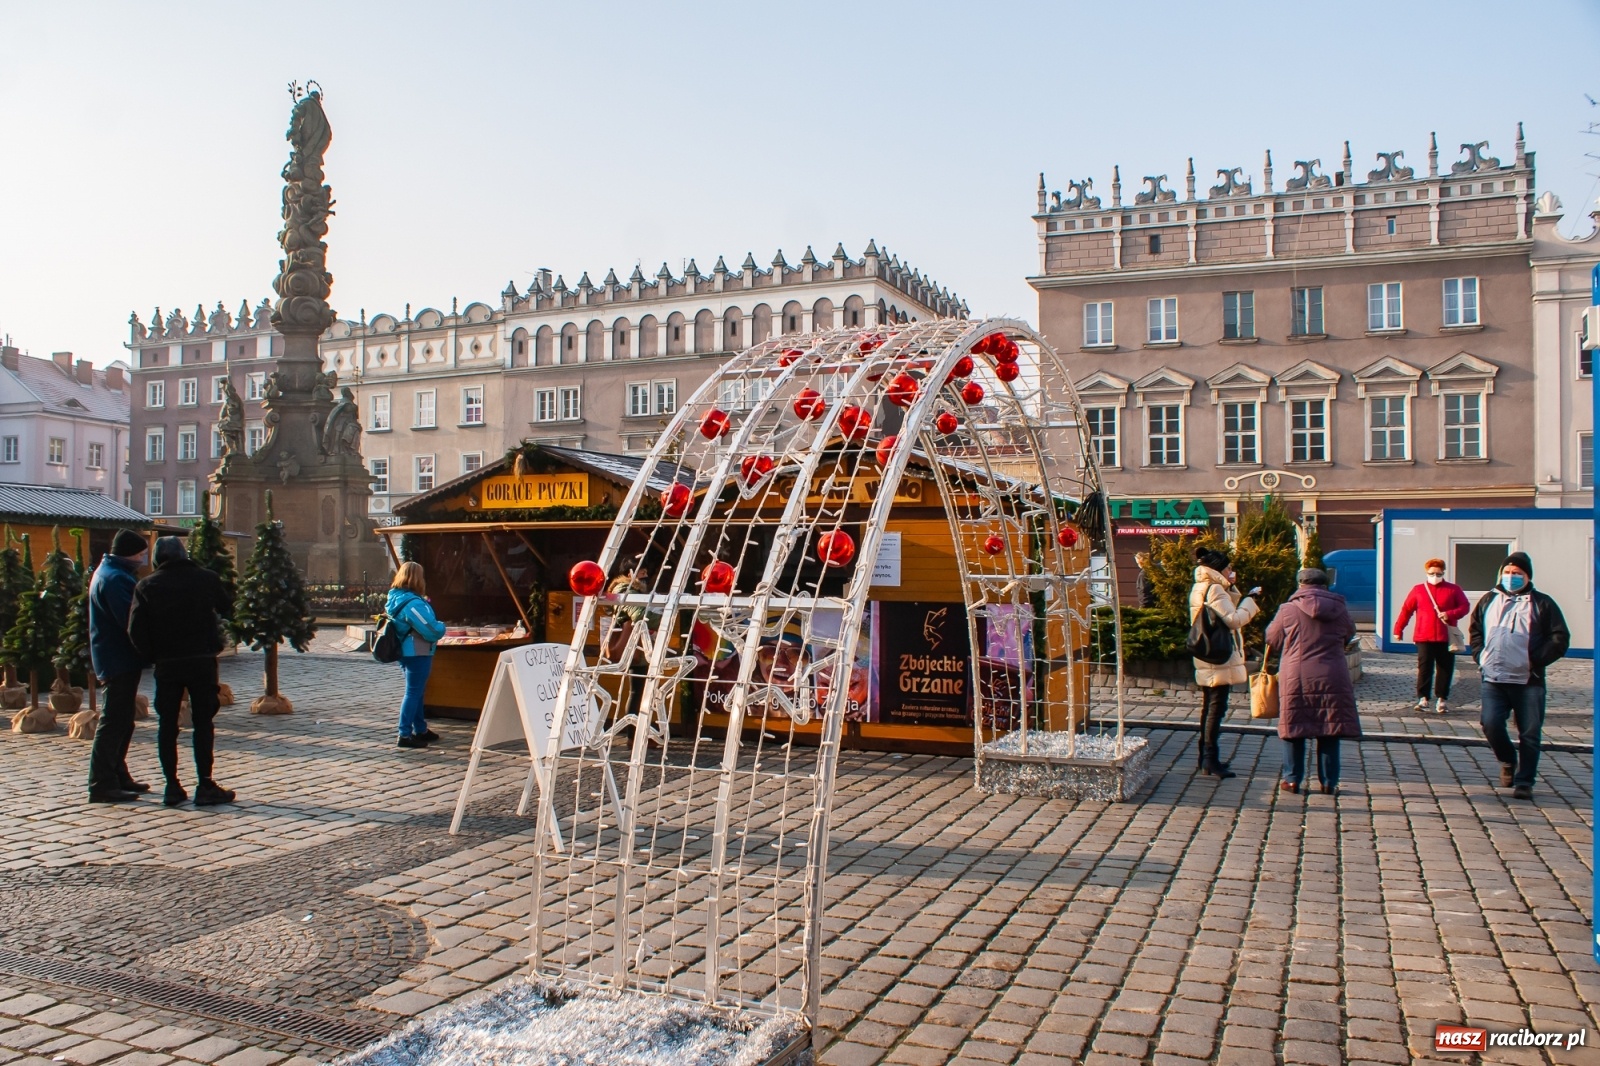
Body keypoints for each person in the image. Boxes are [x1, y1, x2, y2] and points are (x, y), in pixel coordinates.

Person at [128, 537, 236, 807]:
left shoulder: (147, 585)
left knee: (167, 725)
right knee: (203, 723)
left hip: (168, 663)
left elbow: (135, 630)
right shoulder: (206, 578)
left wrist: (153, 655)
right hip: (201, 659)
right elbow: (227, 607)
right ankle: (205, 783)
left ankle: (172, 786)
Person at [1468, 552, 1569, 800]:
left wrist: (1536, 659)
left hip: (1528, 681)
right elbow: (1475, 630)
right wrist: (1481, 655)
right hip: (1493, 677)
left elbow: (1559, 637)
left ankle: (1525, 781)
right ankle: (1507, 759)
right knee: (1490, 723)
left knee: (1529, 733)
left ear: (1527, 576)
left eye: (1517, 573)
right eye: (1508, 572)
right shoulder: (1488, 600)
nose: (1511, 577)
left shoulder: (1542, 603)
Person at [1266, 568, 1361, 795]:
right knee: (1329, 727)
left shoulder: (1288, 610)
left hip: (1296, 676)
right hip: (1333, 675)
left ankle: (1292, 780)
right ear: (1325, 585)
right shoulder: (1339, 608)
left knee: (1293, 726)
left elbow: (1272, 638)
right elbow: (1349, 634)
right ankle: (1329, 782)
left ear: (1300, 584)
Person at [85, 529, 152, 804]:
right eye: (140, 553)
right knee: (113, 721)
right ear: (129, 554)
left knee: (123, 719)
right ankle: (101, 782)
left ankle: (117, 772)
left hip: (117, 656)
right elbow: (130, 620)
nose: (143, 558)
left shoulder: (112, 572)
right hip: (117, 657)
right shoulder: (114, 579)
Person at [1189, 547, 1260, 779]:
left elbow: (1221, 610)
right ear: (1219, 568)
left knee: (1209, 705)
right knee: (1216, 708)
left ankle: (1205, 757)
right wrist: (1251, 601)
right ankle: (1210, 759)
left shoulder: (1202, 586)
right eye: (1228, 567)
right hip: (1220, 655)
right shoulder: (1215, 588)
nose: (1231, 570)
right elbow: (1234, 619)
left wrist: (1234, 589)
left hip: (1206, 652)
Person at [1393, 557, 1470, 714]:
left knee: (1445, 668)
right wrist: (1398, 629)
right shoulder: (1418, 590)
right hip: (1424, 636)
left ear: (1443, 573)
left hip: (1446, 636)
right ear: (1426, 573)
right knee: (1425, 668)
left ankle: (1442, 699)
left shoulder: (1453, 589)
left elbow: (1465, 606)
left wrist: (1450, 614)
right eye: (1431, 573)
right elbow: (1406, 610)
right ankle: (1423, 698)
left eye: (1438, 573)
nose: (1435, 576)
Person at [386, 562, 446, 748]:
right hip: (417, 651)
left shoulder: (395, 597)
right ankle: (404, 734)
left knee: (417, 691)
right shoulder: (412, 604)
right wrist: (442, 626)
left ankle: (420, 729)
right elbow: (430, 629)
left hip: (405, 651)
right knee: (413, 692)